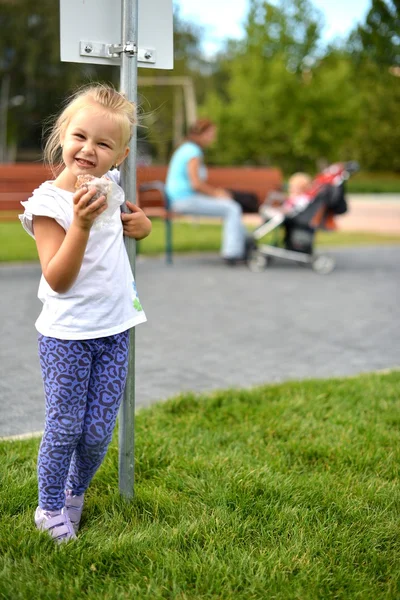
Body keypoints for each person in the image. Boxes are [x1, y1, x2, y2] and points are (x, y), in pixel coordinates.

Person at [19, 83, 152, 543]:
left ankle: (76, 493)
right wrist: (80, 223)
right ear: (62, 134)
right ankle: (49, 507)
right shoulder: (48, 206)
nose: (88, 150)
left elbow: (128, 221)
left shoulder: (111, 187)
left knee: (97, 431)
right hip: (67, 336)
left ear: (121, 154)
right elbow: (57, 278)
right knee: (66, 425)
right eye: (80, 137)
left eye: (103, 143)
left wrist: (143, 225)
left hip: (115, 328)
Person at [165, 119, 247, 265]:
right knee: (232, 208)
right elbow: (196, 184)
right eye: (211, 134)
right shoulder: (193, 152)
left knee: (230, 205)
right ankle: (233, 253)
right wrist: (217, 194)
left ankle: (243, 246)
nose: (213, 138)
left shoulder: (186, 148)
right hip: (183, 201)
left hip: (180, 199)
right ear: (200, 134)